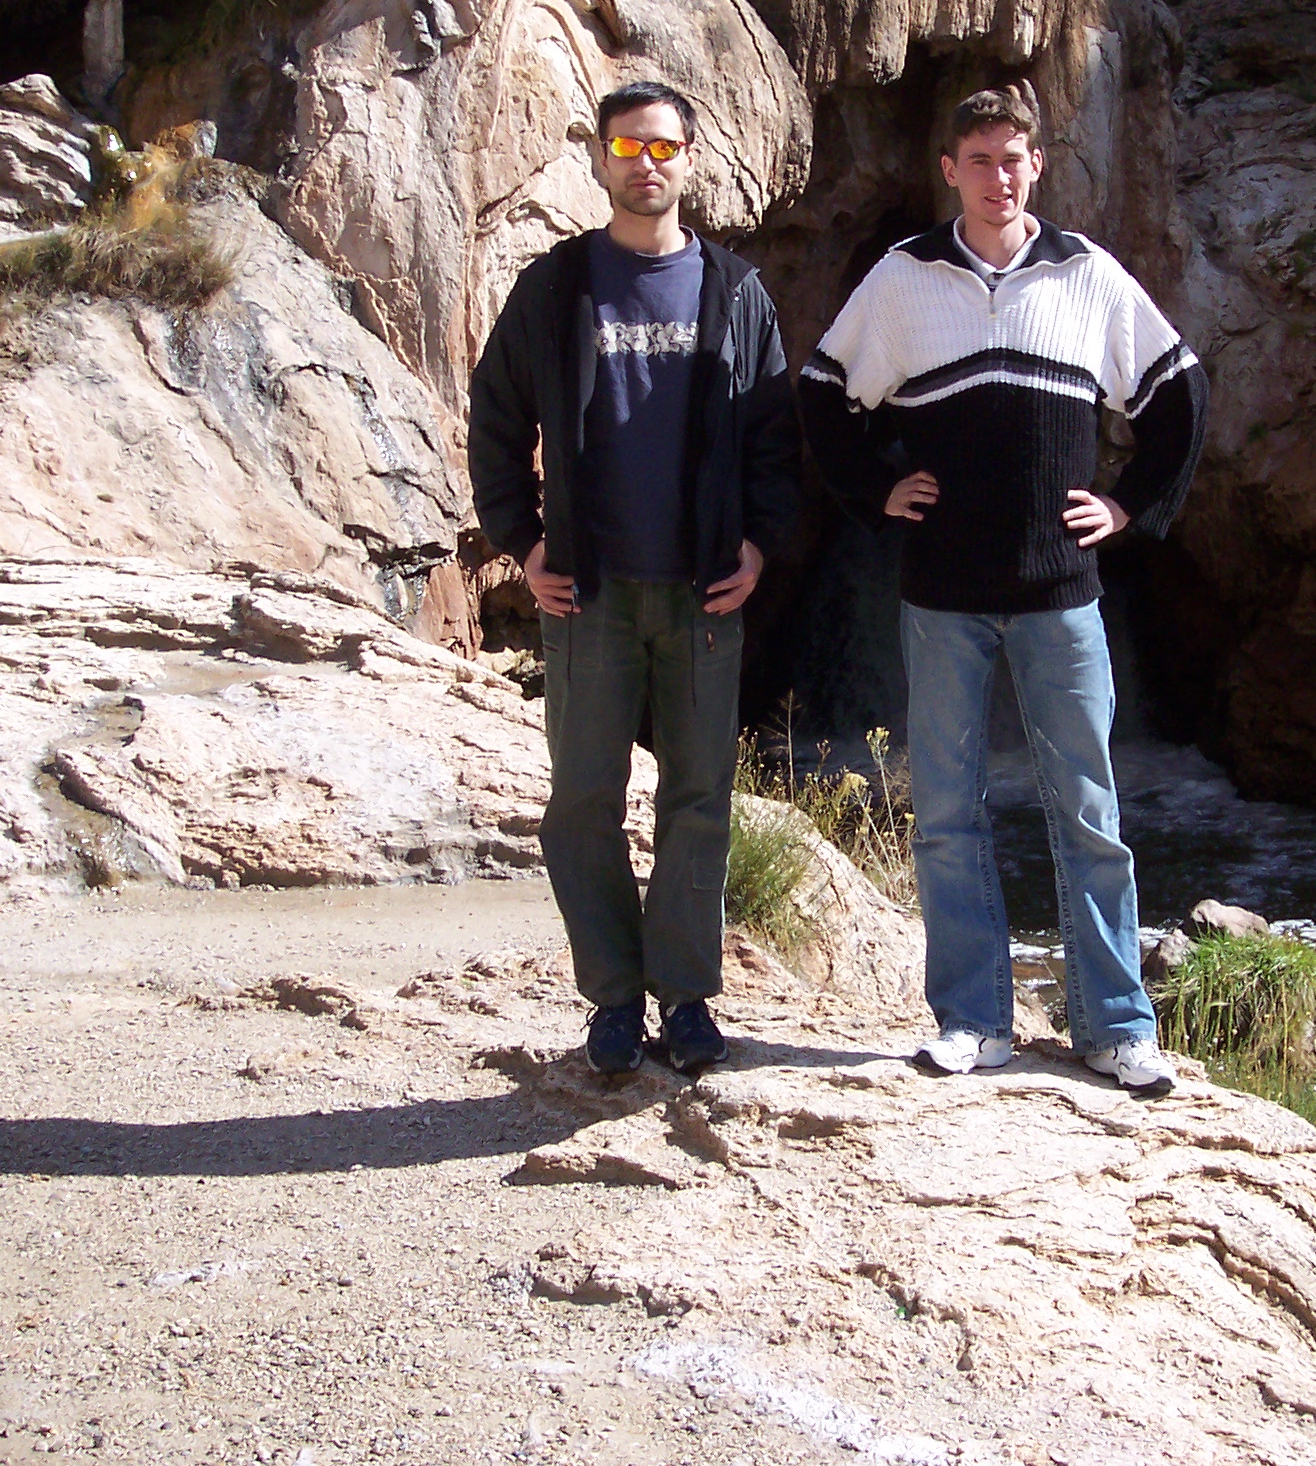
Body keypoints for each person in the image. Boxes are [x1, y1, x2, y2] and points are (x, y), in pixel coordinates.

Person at [798, 86, 1207, 1095]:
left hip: (1062, 595)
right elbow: (822, 390)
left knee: (1090, 817)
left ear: (1038, 164)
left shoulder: (1086, 273)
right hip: (943, 596)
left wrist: (1132, 507)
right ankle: (972, 1021)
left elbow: (1178, 391)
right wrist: (875, 489)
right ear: (950, 170)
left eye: (1013, 157)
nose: (998, 177)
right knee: (946, 815)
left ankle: (1116, 1028)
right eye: (979, 159)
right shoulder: (905, 278)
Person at [467, 80, 801, 1078]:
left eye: (662, 147)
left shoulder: (734, 291)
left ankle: (687, 998)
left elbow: (774, 435)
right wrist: (523, 541)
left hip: (704, 594)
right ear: (601, 158)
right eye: (627, 146)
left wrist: (759, 547)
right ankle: (613, 1000)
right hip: (589, 594)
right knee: (582, 802)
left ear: (689, 159)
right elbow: (496, 418)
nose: (645, 163)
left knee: (698, 799)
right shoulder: (556, 287)